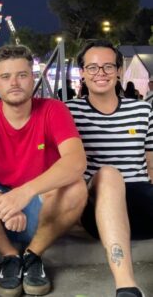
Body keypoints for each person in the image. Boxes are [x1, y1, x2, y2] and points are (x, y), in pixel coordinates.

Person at [0, 44, 87, 297]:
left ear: (32, 78)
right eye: (6, 76)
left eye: (22, 75)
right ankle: (9, 255)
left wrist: (24, 193)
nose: (14, 83)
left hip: (43, 209)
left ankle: (33, 255)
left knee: (76, 187)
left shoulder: (54, 110)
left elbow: (76, 161)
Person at [66, 40, 153, 297]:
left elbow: (151, 161)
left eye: (108, 66)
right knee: (109, 174)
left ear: (118, 71)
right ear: (82, 72)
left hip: (142, 202)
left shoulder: (142, 110)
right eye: (92, 67)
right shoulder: (68, 112)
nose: (100, 73)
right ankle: (126, 286)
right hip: (98, 202)